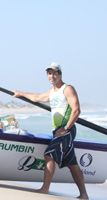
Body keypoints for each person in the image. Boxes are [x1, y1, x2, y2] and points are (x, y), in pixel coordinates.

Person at [13, 62, 88, 199]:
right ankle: (84, 195)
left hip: (66, 130)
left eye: (54, 73)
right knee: (72, 164)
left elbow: (76, 110)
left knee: (49, 154)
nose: (52, 76)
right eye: (49, 73)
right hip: (58, 131)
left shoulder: (67, 89)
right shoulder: (51, 92)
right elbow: (37, 97)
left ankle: (45, 189)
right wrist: (20, 93)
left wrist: (66, 128)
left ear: (60, 74)